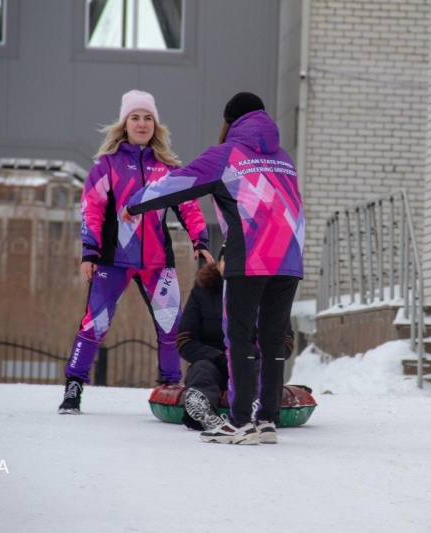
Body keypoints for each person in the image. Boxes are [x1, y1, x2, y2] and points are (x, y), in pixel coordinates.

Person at [123, 92, 304, 444]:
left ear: (230, 122)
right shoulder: (283, 158)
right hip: (290, 259)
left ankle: (240, 422)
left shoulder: (227, 155)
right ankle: (266, 421)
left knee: (238, 339)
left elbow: (180, 183)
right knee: (270, 339)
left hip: (250, 256)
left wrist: (136, 203)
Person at [58, 90, 213, 414]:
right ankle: (74, 387)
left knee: (172, 325)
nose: (142, 124)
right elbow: (92, 210)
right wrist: (90, 251)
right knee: (95, 324)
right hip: (113, 261)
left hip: (158, 263)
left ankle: (172, 386)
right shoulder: (107, 165)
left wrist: (201, 242)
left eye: (148, 118)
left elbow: (190, 208)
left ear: (156, 126)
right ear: (124, 124)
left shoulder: (170, 168)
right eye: (135, 117)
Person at [178, 249, 294, 444]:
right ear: (219, 263)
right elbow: (185, 340)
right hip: (214, 362)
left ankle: (256, 407)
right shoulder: (203, 290)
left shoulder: (267, 293)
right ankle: (205, 413)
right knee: (201, 368)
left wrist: (253, 354)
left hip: (251, 363)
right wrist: (217, 357)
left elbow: (285, 342)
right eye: (226, 260)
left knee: (259, 368)